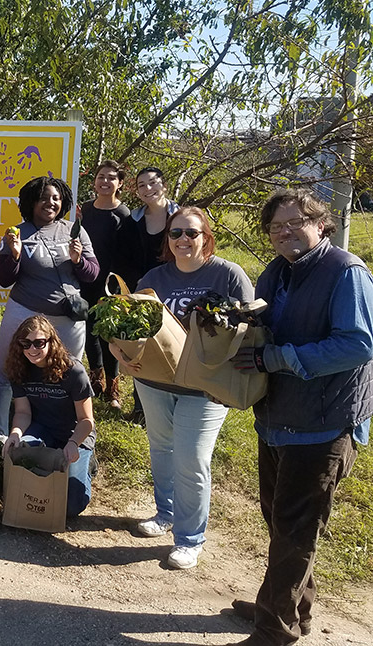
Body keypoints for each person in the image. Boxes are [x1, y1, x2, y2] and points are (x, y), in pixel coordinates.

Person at [226, 190, 373, 646]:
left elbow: (357, 344)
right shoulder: (278, 271)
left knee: (295, 529)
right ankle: (289, 607)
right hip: (278, 417)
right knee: (281, 521)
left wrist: (278, 358)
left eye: (296, 222)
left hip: (323, 423)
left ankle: (274, 631)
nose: (285, 231)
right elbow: (265, 323)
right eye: (276, 226)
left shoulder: (346, 272)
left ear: (320, 224)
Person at [109, 207, 253, 570]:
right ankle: (165, 514)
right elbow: (129, 326)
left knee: (191, 459)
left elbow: (252, 327)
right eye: (175, 234)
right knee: (161, 448)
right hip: (154, 381)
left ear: (206, 236)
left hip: (205, 389)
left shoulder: (228, 275)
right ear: (167, 240)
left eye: (191, 233)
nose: (183, 240)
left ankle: (190, 539)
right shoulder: (155, 277)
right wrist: (119, 353)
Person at [0, 176, 99, 438]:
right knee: (5, 372)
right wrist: (13, 256)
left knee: (69, 375)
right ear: (31, 201)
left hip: (67, 319)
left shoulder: (75, 230)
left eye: (56, 198)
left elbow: (92, 274)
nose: (51, 203)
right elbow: (3, 279)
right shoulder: (17, 233)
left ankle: (69, 435)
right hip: (24, 312)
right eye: (44, 198)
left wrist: (78, 260)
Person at [2, 315, 97, 517]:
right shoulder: (19, 368)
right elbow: (22, 412)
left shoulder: (74, 372)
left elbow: (86, 420)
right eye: (25, 343)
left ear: (51, 342)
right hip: (41, 430)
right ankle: (52, 463)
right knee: (20, 459)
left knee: (71, 506)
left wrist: (73, 443)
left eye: (39, 343)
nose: (32, 349)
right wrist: (15, 434)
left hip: (75, 434)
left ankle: (88, 463)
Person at [117, 166, 180, 423]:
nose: (148, 189)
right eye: (141, 185)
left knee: (172, 342)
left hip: (175, 286)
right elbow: (125, 256)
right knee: (141, 343)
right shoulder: (132, 220)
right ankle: (141, 406)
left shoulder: (180, 217)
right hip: (141, 289)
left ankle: (177, 398)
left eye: (152, 183)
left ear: (163, 185)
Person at [79, 160, 131, 409]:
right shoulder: (85, 211)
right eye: (101, 177)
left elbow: (126, 254)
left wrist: (120, 286)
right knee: (89, 331)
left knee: (109, 336)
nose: (105, 181)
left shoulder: (123, 214)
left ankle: (113, 389)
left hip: (111, 284)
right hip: (86, 279)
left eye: (111, 177)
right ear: (94, 181)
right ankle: (96, 378)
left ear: (119, 183)